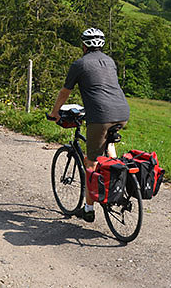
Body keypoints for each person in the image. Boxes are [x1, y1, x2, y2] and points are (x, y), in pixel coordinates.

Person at [48, 27, 129, 222]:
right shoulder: (110, 61)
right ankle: (117, 185)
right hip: (122, 113)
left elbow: (65, 92)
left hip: (100, 116)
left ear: (83, 45)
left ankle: (88, 209)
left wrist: (55, 112)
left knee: (92, 161)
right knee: (108, 149)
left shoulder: (80, 64)